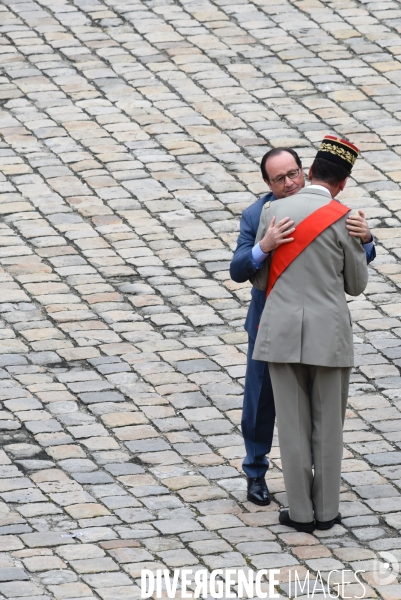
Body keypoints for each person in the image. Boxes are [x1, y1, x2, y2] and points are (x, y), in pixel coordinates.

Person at [230, 148, 375, 506]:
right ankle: (256, 472)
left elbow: (351, 255)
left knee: (314, 411)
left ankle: (307, 491)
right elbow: (237, 269)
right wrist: (262, 248)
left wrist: (368, 239)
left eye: (294, 173)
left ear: (305, 171)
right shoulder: (257, 214)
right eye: (280, 179)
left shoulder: (328, 212)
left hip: (312, 325)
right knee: (260, 402)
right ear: (267, 183)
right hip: (271, 325)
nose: (290, 183)